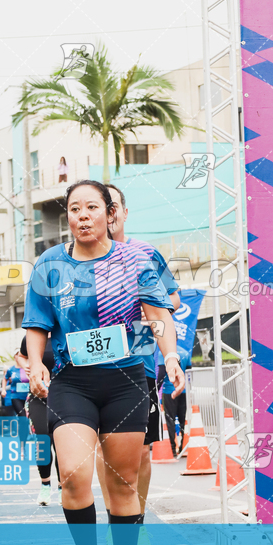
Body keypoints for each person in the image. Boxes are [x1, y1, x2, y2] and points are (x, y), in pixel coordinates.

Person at [23, 180, 185, 545]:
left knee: (122, 481)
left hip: (125, 380)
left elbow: (158, 312)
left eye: (91, 207)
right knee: (74, 474)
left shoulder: (136, 260)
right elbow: (36, 323)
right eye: (74, 208)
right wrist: (37, 362)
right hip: (72, 380)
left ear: (109, 214)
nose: (82, 215)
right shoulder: (49, 263)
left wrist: (170, 356)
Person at [95, 184, 181, 519]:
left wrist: (148, 313)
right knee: (107, 452)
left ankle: (137, 519)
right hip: (97, 367)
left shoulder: (145, 253)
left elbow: (172, 298)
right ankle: (117, 518)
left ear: (123, 212)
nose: (108, 213)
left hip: (140, 362)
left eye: (112, 206)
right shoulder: (79, 257)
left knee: (142, 453)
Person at [18, 334, 61, 506]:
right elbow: (20, 355)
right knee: (43, 440)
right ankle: (45, 485)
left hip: (64, 398)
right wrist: (27, 367)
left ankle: (61, 488)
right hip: (38, 397)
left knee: (61, 444)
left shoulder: (64, 331)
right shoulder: (31, 336)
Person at [157, 344, 191, 456]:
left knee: (170, 419)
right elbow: (189, 370)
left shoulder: (164, 353)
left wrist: (155, 390)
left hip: (169, 390)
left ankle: (172, 448)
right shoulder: (185, 352)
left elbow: (162, 373)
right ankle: (183, 447)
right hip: (183, 390)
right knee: (182, 419)